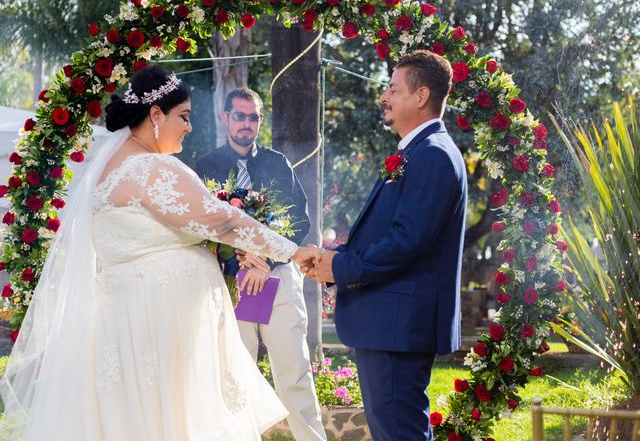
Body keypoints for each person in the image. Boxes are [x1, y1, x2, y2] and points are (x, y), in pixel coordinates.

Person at [0, 65, 321, 440]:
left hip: (131, 320)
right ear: (155, 115)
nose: (188, 127)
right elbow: (220, 220)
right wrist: (295, 253)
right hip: (159, 326)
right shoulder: (151, 167)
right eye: (183, 117)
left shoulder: (110, 167)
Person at [307, 50, 468, 441]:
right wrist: (336, 259)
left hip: (399, 326)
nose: (384, 96)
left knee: (400, 433)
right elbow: (395, 234)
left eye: (394, 89)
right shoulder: (417, 151)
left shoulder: (433, 156)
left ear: (421, 95)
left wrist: (341, 268)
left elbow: (407, 242)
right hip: (390, 324)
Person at [195, 88, 326, 441]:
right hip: (230, 285)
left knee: (295, 376)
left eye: (253, 117)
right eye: (239, 116)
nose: (247, 124)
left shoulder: (277, 163)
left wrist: (263, 260)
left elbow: (299, 220)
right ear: (225, 118)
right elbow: (200, 223)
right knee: (233, 380)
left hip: (277, 280)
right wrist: (239, 260)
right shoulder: (204, 166)